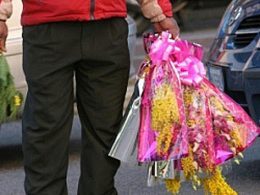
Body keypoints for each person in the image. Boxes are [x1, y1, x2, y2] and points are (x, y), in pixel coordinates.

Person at [0, 0, 180, 194]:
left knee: (105, 128)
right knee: (46, 127)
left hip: (107, 24)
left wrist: (159, 12)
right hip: (46, 27)